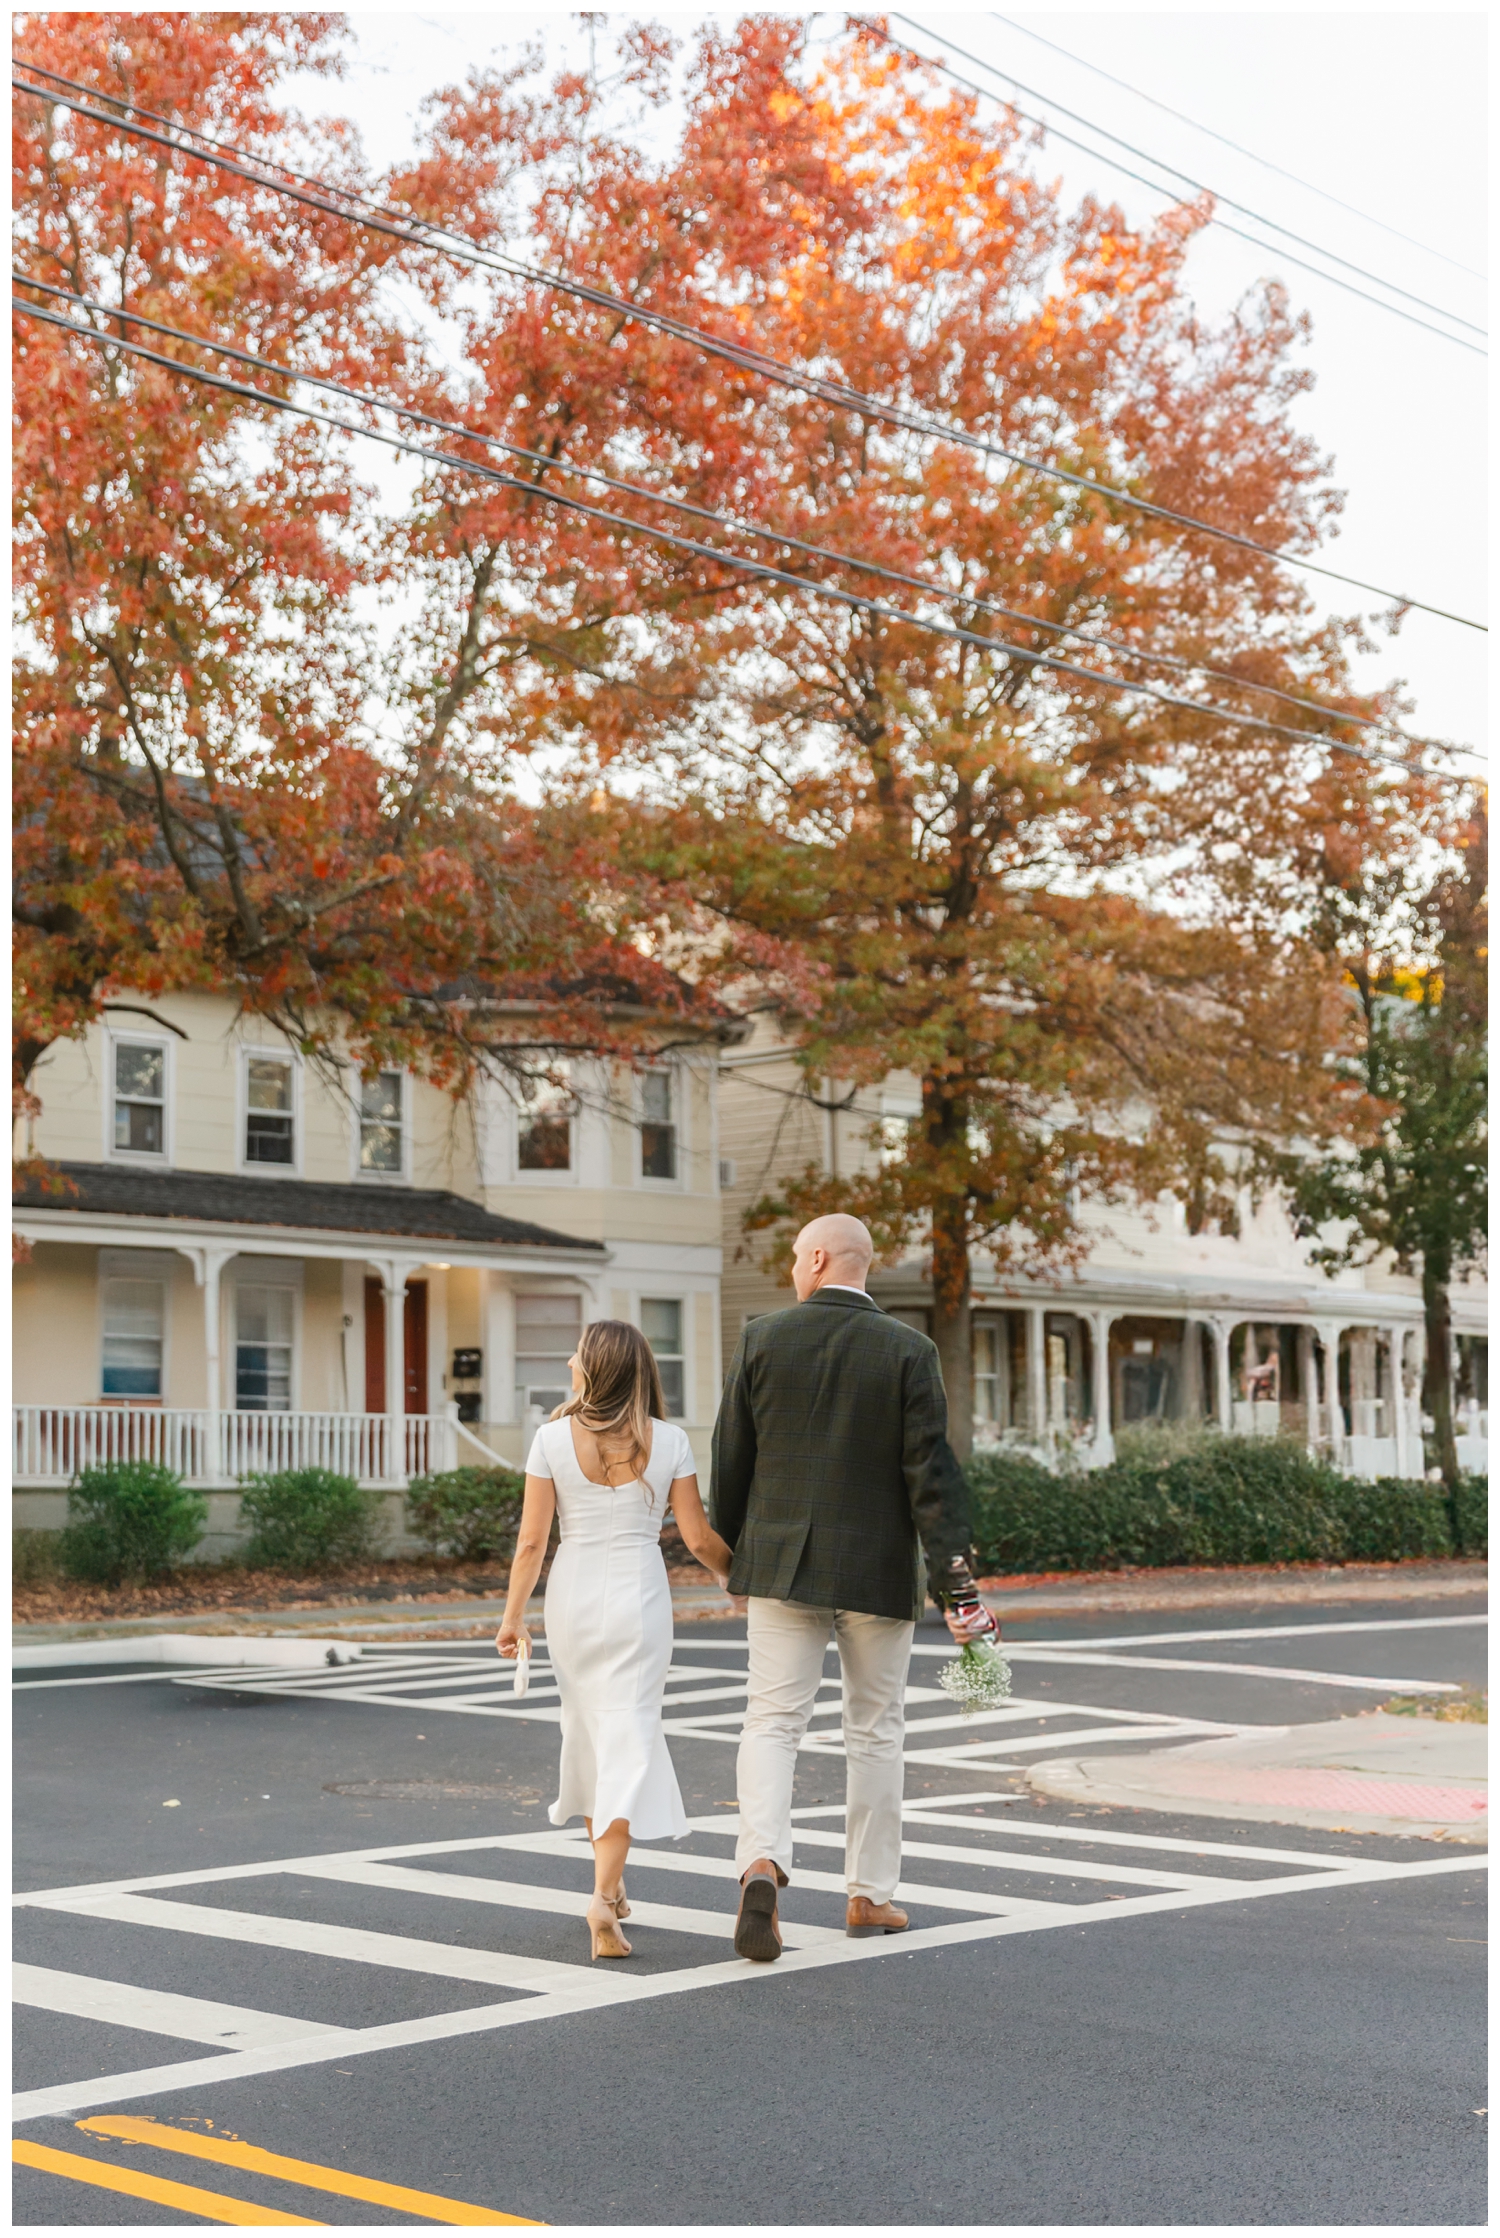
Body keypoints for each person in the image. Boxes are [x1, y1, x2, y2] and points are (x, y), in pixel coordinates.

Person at [710, 1213, 997, 1962]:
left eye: (794, 1260)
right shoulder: (910, 1351)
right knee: (875, 1730)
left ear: (815, 1258)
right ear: (863, 1265)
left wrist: (737, 1558)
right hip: (877, 1568)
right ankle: (869, 1896)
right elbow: (933, 1480)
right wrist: (957, 1588)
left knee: (772, 1722)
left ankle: (763, 1864)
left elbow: (731, 1458)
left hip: (780, 1563)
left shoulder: (762, 1339)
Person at [496, 1319, 734, 1961]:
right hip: (638, 1599)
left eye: (575, 1357)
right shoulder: (672, 1441)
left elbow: (531, 1544)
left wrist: (513, 1617)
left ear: (593, 1369)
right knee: (628, 1735)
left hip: (571, 1601)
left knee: (593, 1736)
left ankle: (612, 1883)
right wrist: (737, 1576)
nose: (569, 1365)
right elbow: (697, 1538)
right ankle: (603, 1898)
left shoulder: (549, 1439)